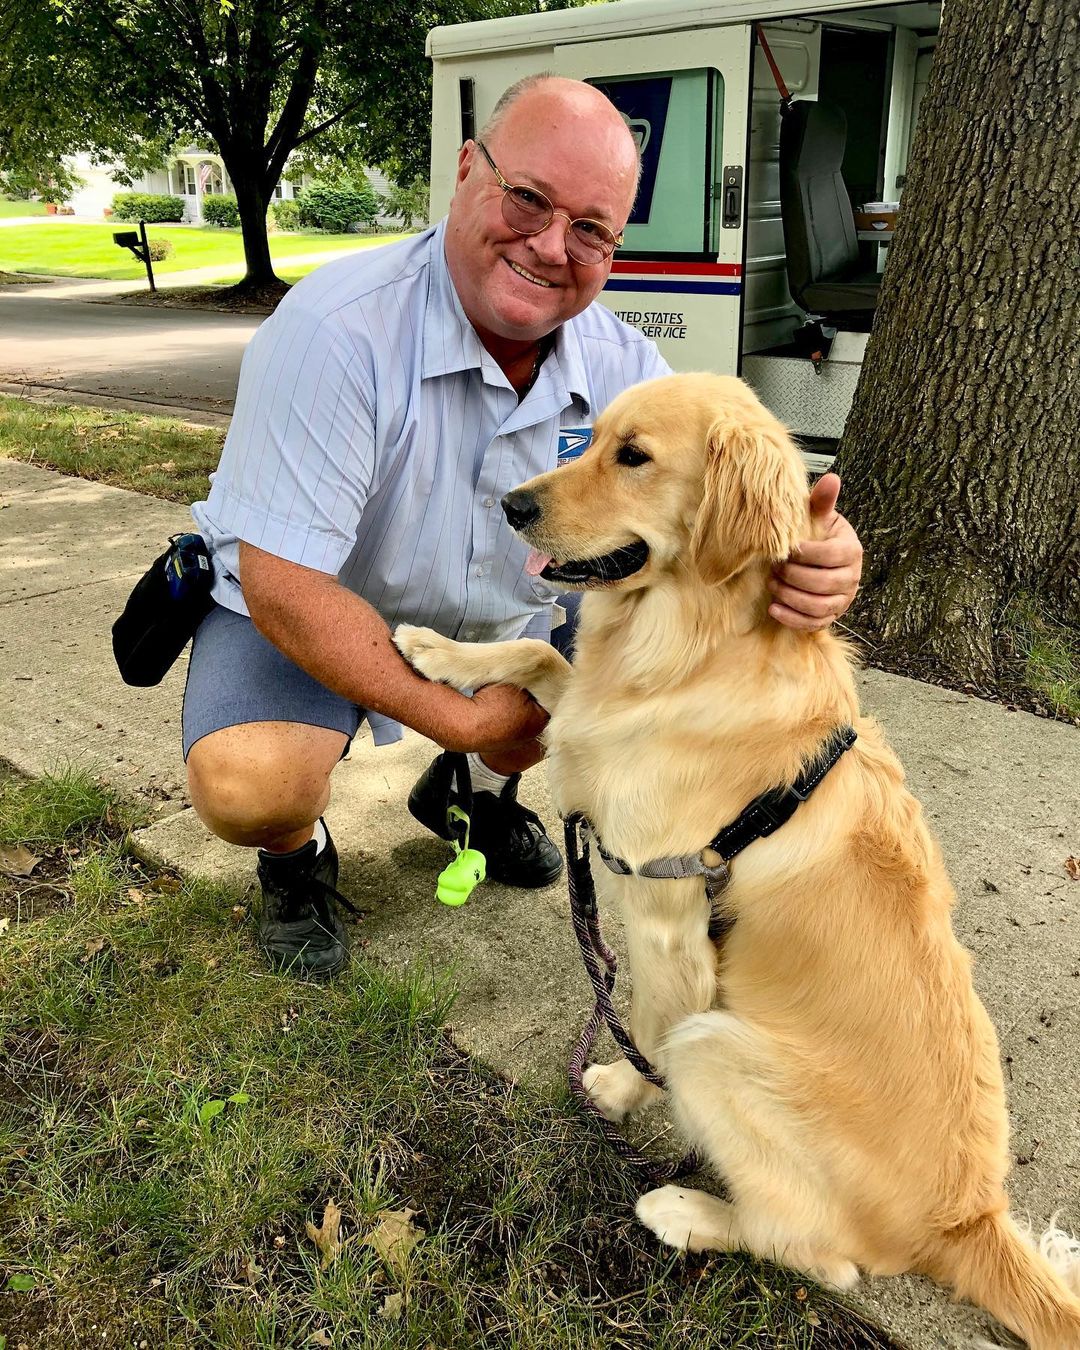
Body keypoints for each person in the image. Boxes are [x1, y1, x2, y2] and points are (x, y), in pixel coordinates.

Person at [183, 75, 864, 980]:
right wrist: (448, 714)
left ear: (614, 245)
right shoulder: (336, 330)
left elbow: (718, 491)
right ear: (468, 169)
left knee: (598, 681)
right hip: (314, 601)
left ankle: (474, 793)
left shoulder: (624, 363)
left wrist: (814, 555)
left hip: (502, 609)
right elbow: (284, 584)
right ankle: (293, 859)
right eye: (528, 198)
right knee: (252, 781)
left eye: (590, 228)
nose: (551, 245)